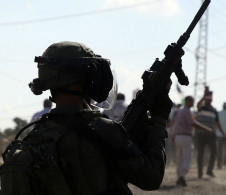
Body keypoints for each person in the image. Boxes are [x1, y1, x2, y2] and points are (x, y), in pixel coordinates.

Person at [14, 41, 172, 194]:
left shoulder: (34, 138)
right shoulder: (103, 130)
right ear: (77, 82)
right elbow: (151, 178)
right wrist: (159, 121)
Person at [173, 96, 212, 186]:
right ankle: (182, 176)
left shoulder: (180, 110)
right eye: (192, 102)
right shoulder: (186, 111)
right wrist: (207, 129)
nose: (193, 103)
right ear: (188, 101)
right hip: (185, 137)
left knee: (180, 158)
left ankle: (179, 177)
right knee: (187, 157)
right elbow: (193, 123)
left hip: (178, 136)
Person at [195, 91, 226, 178]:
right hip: (200, 134)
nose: (210, 99)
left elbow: (217, 123)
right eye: (208, 98)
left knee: (214, 152)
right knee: (200, 153)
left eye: (210, 98)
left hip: (211, 134)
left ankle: (209, 170)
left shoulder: (214, 110)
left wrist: (223, 133)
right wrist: (203, 97)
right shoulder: (202, 108)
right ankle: (200, 172)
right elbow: (198, 105)